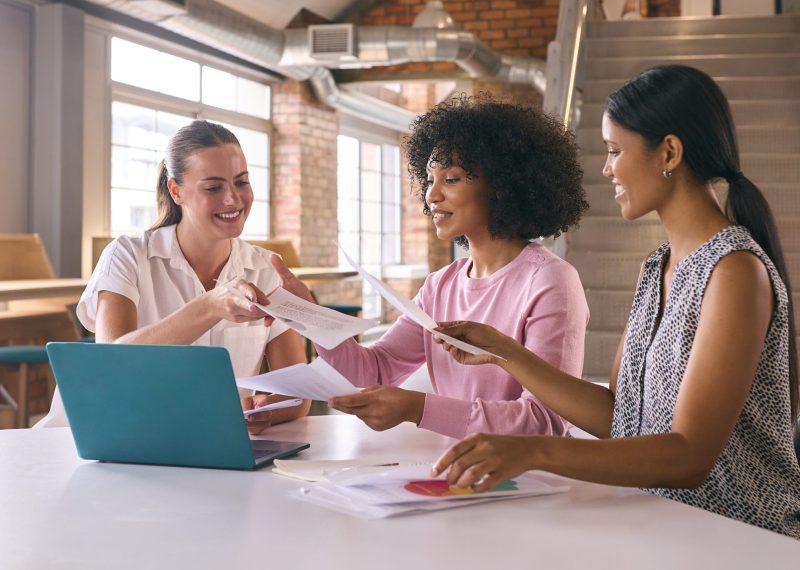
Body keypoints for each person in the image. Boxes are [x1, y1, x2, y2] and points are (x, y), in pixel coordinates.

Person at [432, 66, 800, 538]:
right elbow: (620, 418)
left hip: (744, 540)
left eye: (614, 151)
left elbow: (688, 457)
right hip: (672, 529)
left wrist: (534, 450)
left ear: (669, 152)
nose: (606, 169)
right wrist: (506, 352)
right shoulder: (658, 266)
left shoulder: (734, 272)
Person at [270, 94, 589, 439]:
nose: (431, 195)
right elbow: (374, 371)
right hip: (457, 471)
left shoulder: (550, 280)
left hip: (530, 479)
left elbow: (545, 422)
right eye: (429, 179)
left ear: (502, 185)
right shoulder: (441, 285)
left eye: (451, 179)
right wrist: (308, 314)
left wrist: (418, 408)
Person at [37, 120, 309, 430]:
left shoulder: (265, 269)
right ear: (176, 190)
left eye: (241, 182)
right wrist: (210, 306)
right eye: (214, 187)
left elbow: (297, 394)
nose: (233, 198)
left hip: (208, 442)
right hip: (109, 437)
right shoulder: (128, 255)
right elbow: (110, 365)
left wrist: (262, 411)